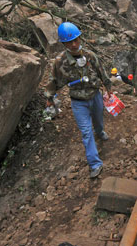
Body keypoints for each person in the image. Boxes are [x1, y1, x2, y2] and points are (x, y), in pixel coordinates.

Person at [45, 22, 112, 178]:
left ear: (80, 38)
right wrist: (49, 98)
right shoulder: (60, 61)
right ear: (64, 43)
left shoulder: (90, 56)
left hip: (95, 96)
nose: (74, 44)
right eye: (69, 42)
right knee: (86, 133)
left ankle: (100, 131)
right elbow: (53, 81)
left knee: (98, 120)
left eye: (76, 40)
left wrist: (108, 88)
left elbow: (102, 72)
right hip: (78, 101)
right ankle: (95, 164)